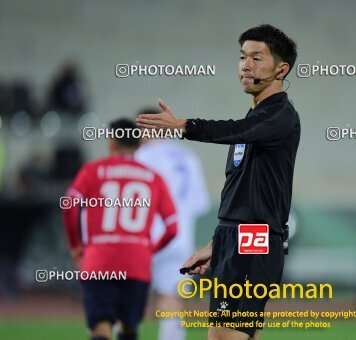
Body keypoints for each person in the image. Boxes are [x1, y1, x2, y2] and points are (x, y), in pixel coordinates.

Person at [137, 24, 300, 340]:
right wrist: (217, 244)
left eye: (256, 57)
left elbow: (235, 130)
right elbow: (239, 193)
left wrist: (184, 126)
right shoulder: (255, 121)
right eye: (242, 57)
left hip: (254, 239)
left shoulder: (280, 116)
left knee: (223, 336)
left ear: (282, 69)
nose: (245, 65)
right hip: (237, 238)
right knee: (238, 336)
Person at [62, 119, 178, 340]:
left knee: (101, 328)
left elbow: (69, 206)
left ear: (112, 142)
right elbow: (172, 228)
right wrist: (149, 250)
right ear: (139, 145)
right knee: (129, 328)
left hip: (99, 261)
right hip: (137, 263)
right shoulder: (154, 178)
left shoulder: (93, 171)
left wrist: (76, 246)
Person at [135, 108, 211, 340]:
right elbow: (201, 205)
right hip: (179, 239)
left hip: (143, 239)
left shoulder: (141, 157)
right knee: (171, 299)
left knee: (127, 297)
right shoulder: (187, 156)